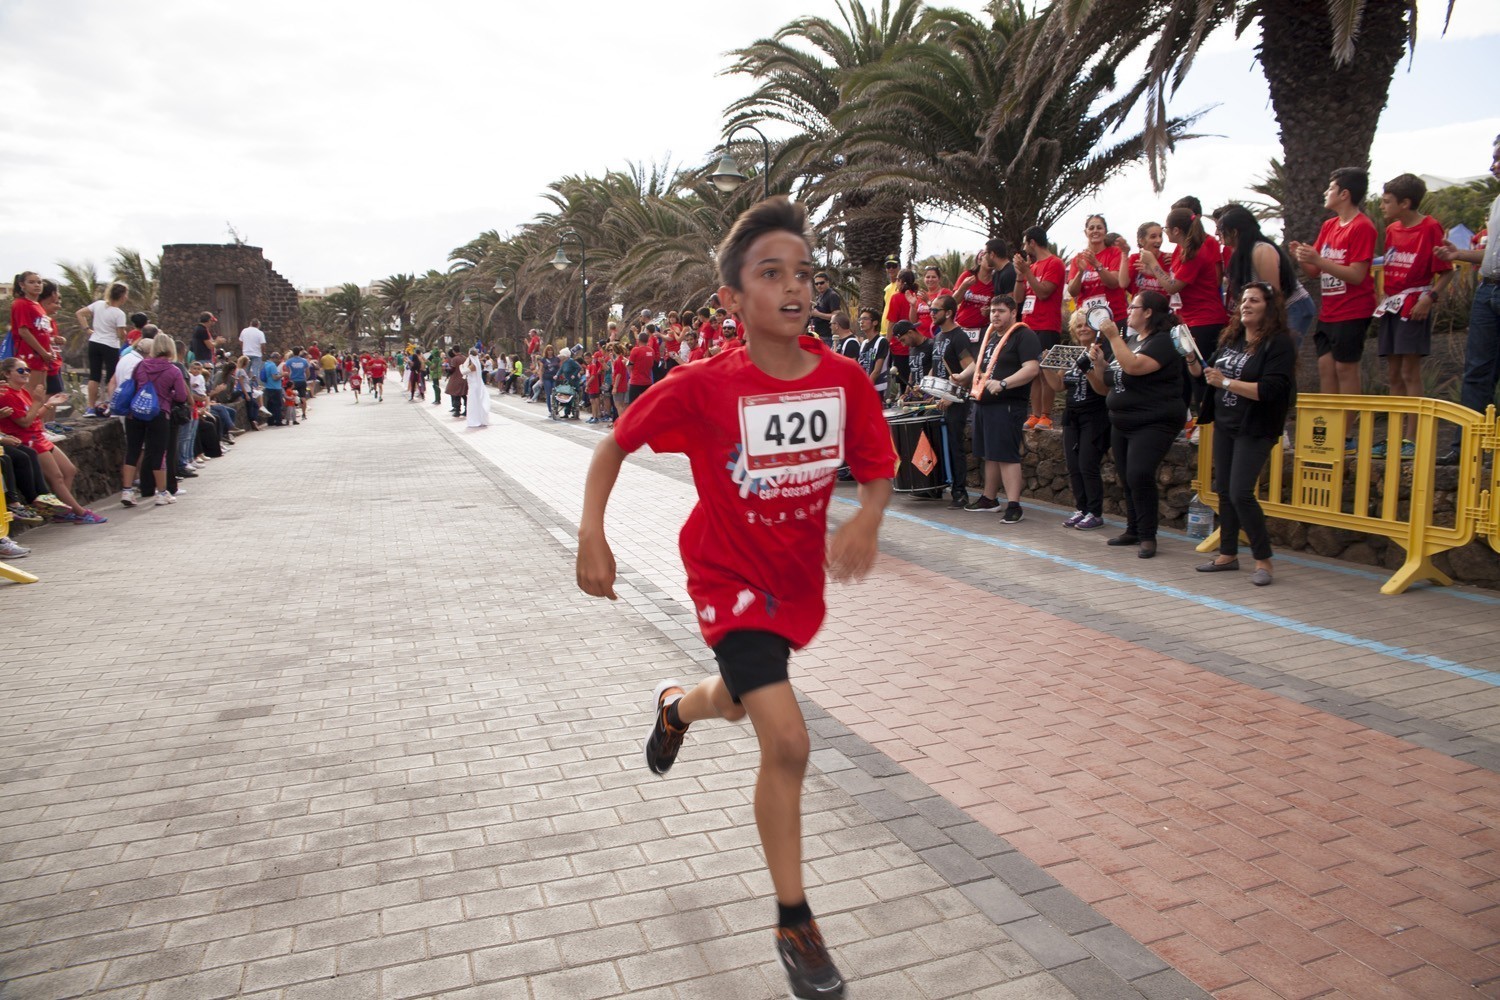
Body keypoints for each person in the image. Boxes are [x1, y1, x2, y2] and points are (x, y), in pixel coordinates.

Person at [576, 196, 895, 1000]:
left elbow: (878, 464)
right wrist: (592, 535)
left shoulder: (844, 380)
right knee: (787, 740)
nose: (794, 287)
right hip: (728, 579)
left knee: (740, 699)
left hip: (796, 585)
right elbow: (613, 444)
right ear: (732, 298)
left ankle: (676, 710)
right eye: (771, 273)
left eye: (804, 273)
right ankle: (795, 922)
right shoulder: (703, 386)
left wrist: (867, 518)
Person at [1196, 282, 1297, 586]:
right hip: (1225, 424)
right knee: (1225, 490)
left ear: (1269, 307)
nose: (1246, 305)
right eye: (1243, 300)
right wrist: (1190, 358)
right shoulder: (1232, 339)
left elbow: (1270, 389)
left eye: (1254, 300)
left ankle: (1263, 560)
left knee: (1240, 492)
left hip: (1255, 426)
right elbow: (1208, 375)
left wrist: (1225, 383)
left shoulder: (1279, 343)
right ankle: (1228, 554)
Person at [1086, 290, 1197, 558]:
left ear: (1148, 312)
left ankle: (1148, 536)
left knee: (1139, 474)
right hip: (1122, 420)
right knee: (1127, 477)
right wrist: (1099, 363)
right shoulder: (1133, 340)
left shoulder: (1162, 341)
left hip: (1154, 420)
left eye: (1133, 307)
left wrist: (1113, 336)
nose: (1128, 311)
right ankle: (1133, 529)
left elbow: (1134, 367)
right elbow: (1109, 382)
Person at [1374, 174, 1455, 458]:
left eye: (1387, 201)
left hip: (1415, 304)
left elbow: (1447, 271)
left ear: (1405, 203)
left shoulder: (1430, 227)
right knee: (1393, 373)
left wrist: (1429, 298)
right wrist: (1382, 294)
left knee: (1410, 371)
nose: (1382, 206)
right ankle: (1395, 437)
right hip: (1392, 305)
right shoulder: (1392, 229)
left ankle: (1412, 439)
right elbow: (1390, 263)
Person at [1435, 134, 1500, 464]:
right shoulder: (1497, 203)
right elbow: (1492, 255)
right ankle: (1467, 449)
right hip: (1488, 290)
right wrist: (1458, 253)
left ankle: (1493, 453)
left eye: (1499, 158)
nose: (1493, 165)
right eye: (1494, 158)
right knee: (1476, 372)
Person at [1290, 167, 1377, 405]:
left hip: (1353, 310)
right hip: (1329, 311)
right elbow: (1314, 271)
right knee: (1326, 367)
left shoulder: (1362, 226)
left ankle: (1347, 427)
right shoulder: (1329, 225)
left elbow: (1357, 275)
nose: (1325, 192)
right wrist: (1302, 257)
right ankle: (1329, 424)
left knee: (1345, 369)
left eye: (1331, 188)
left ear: (1344, 194)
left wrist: (1318, 260)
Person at [1140, 207, 1229, 431]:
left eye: (1166, 229)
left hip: (1205, 321)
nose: (1164, 234)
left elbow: (1172, 286)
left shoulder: (1195, 253)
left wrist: (1153, 264)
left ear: (1176, 230)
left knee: (1201, 376)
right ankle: (1188, 424)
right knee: (1186, 374)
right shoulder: (1182, 250)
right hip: (1188, 320)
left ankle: (1206, 426)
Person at [963, 296, 1041, 522]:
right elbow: (979, 363)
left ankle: (1014, 505)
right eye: (992, 311)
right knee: (991, 454)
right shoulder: (990, 335)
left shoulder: (1024, 336)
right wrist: (962, 376)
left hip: (1007, 404)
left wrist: (1004, 383)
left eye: (1001, 311)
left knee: (1006, 455)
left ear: (1014, 313)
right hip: (984, 403)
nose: (995, 315)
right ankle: (989, 499)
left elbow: (1032, 369)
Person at [0, 358, 105, 523]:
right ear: (7, 374)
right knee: (56, 477)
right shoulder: (7, 395)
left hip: (38, 436)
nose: (26, 373)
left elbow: (35, 415)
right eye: (21, 370)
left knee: (69, 470)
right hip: (27, 439)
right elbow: (25, 422)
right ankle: (79, 512)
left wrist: (48, 404)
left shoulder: (22, 391)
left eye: (27, 370)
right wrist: (37, 402)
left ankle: (61, 510)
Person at [1215, 205, 1316, 351]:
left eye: (1221, 229)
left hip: (1292, 306)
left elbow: (1273, 295)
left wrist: (1269, 329)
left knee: (1281, 353)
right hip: (1270, 310)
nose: (1217, 233)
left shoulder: (1261, 250)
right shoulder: (1239, 254)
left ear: (1235, 232)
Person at [1045, 310, 1110, 531]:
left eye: (1086, 325)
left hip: (1094, 415)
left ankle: (1095, 512)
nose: (1082, 329)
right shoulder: (1072, 353)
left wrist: (1088, 368)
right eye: (1078, 325)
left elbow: (1102, 389)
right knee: (1073, 465)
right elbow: (1058, 386)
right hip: (1072, 415)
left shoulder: (1100, 353)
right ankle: (1082, 509)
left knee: (1087, 464)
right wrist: (1046, 366)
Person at [924, 294, 976, 509]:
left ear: (948, 313)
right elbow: (937, 365)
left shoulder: (958, 337)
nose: (931, 313)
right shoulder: (938, 336)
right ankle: (937, 486)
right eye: (931, 309)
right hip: (940, 399)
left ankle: (960, 493)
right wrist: (926, 384)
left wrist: (951, 397)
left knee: (955, 446)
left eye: (935, 310)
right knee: (939, 444)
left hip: (956, 400)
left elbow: (970, 368)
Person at [1012, 228, 1064, 430]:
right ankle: (1034, 414)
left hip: (1047, 326)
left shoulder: (1054, 263)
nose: (1025, 248)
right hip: (1029, 326)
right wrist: (1020, 276)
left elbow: (1043, 293)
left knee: (1046, 372)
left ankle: (1046, 415)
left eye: (1025, 244)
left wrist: (1027, 272)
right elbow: (1018, 298)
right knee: (1033, 372)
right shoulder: (1031, 267)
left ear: (1032, 242)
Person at [129, 337, 189, 505]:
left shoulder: (141, 365)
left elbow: (135, 385)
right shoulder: (173, 369)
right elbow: (181, 396)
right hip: (161, 411)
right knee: (162, 452)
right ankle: (164, 490)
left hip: (139, 411)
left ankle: (143, 487)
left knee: (142, 451)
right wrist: (168, 394)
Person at [1066, 216, 1129, 327]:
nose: (1095, 231)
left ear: (1105, 231)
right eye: (1091, 228)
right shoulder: (1078, 258)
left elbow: (1114, 283)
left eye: (1099, 228)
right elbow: (1072, 291)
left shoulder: (1115, 253)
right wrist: (1080, 273)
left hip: (1115, 318)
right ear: (1086, 232)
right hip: (1087, 321)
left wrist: (1096, 264)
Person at [78, 281, 130, 415]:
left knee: (94, 376)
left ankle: (90, 407)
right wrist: (125, 335)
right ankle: (110, 405)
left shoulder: (98, 304)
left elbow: (79, 313)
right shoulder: (119, 313)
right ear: (122, 296)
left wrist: (87, 329)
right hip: (110, 345)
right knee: (112, 377)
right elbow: (120, 334)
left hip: (94, 342)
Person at [9, 272, 55, 400]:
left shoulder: (38, 305)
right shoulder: (21, 304)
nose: (36, 285)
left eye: (39, 282)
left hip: (42, 356)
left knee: (41, 390)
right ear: (22, 285)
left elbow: (43, 331)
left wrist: (49, 350)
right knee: (30, 391)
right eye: (31, 282)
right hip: (29, 354)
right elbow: (23, 331)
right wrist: (43, 352)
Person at [884, 269, 921, 393]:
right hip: (916, 342)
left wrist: (887, 341)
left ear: (901, 281)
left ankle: (903, 396)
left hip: (900, 344)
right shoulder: (917, 296)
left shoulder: (896, 298)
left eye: (898, 280)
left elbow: (892, 322)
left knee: (903, 380)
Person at [855, 307, 889, 398]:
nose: (861, 322)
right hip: (865, 386)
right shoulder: (864, 343)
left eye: (865, 319)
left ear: (875, 322)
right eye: (860, 319)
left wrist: (866, 387)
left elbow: (877, 370)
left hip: (877, 388)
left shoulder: (881, 341)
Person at [809, 272, 842, 347]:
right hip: (818, 335)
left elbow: (837, 317)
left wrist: (818, 314)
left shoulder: (832, 295)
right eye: (816, 284)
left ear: (827, 282)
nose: (819, 285)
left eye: (821, 283)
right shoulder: (820, 297)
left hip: (828, 336)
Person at [462, 348, 490, 429]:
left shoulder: (473, 365)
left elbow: (464, 372)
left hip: (473, 386)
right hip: (475, 385)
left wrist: (461, 367)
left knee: (473, 403)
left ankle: (474, 420)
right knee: (477, 402)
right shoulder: (477, 363)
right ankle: (479, 419)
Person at [625, 334, 654, 405]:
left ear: (638, 340)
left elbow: (630, 365)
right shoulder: (651, 351)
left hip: (636, 381)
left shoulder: (635, 350)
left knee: (633, 404)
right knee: (647, 404)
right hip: (648, 381)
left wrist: (630, 375)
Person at [260, 352, 286, 426]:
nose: (279, 360)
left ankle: (270, 421)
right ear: (274, 358)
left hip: (268, 387)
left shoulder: (266, 364)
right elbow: (275, 377)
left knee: (270, 405)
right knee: (277, 405)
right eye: (278, 358)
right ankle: (278, 421)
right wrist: (283, 375)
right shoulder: (272, 365)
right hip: (275, 387)